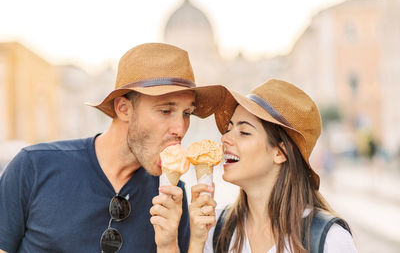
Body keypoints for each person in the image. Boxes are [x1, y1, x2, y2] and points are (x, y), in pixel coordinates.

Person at [0, 43, 225, 253]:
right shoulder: (34, 166)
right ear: (124, 109)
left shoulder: (173, 196)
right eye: (166, 111)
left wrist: (175, 244)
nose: (181, 128)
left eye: (187, 113)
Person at [188, 79, 357, 253]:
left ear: (280, 152)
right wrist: (194, 243)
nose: (224, 138)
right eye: (228, 129)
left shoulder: (330, 240)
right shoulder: (215, 229)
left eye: (244, 132)